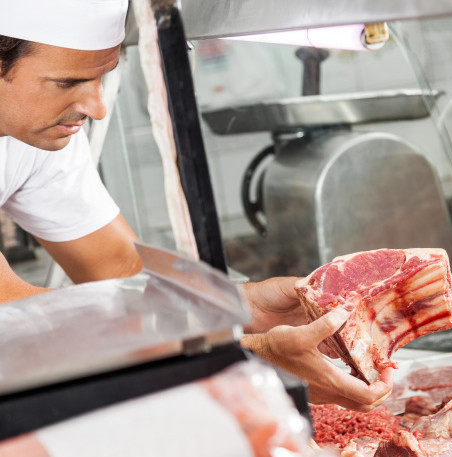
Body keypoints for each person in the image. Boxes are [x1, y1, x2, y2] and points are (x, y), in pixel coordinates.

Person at [0, 0, 390, 412]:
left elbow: (115, 267)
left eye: (101, 79)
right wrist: (246, 358)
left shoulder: (41, 134)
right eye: (67, 82)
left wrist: (236, 306)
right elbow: (16, 320)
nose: (96, 107)